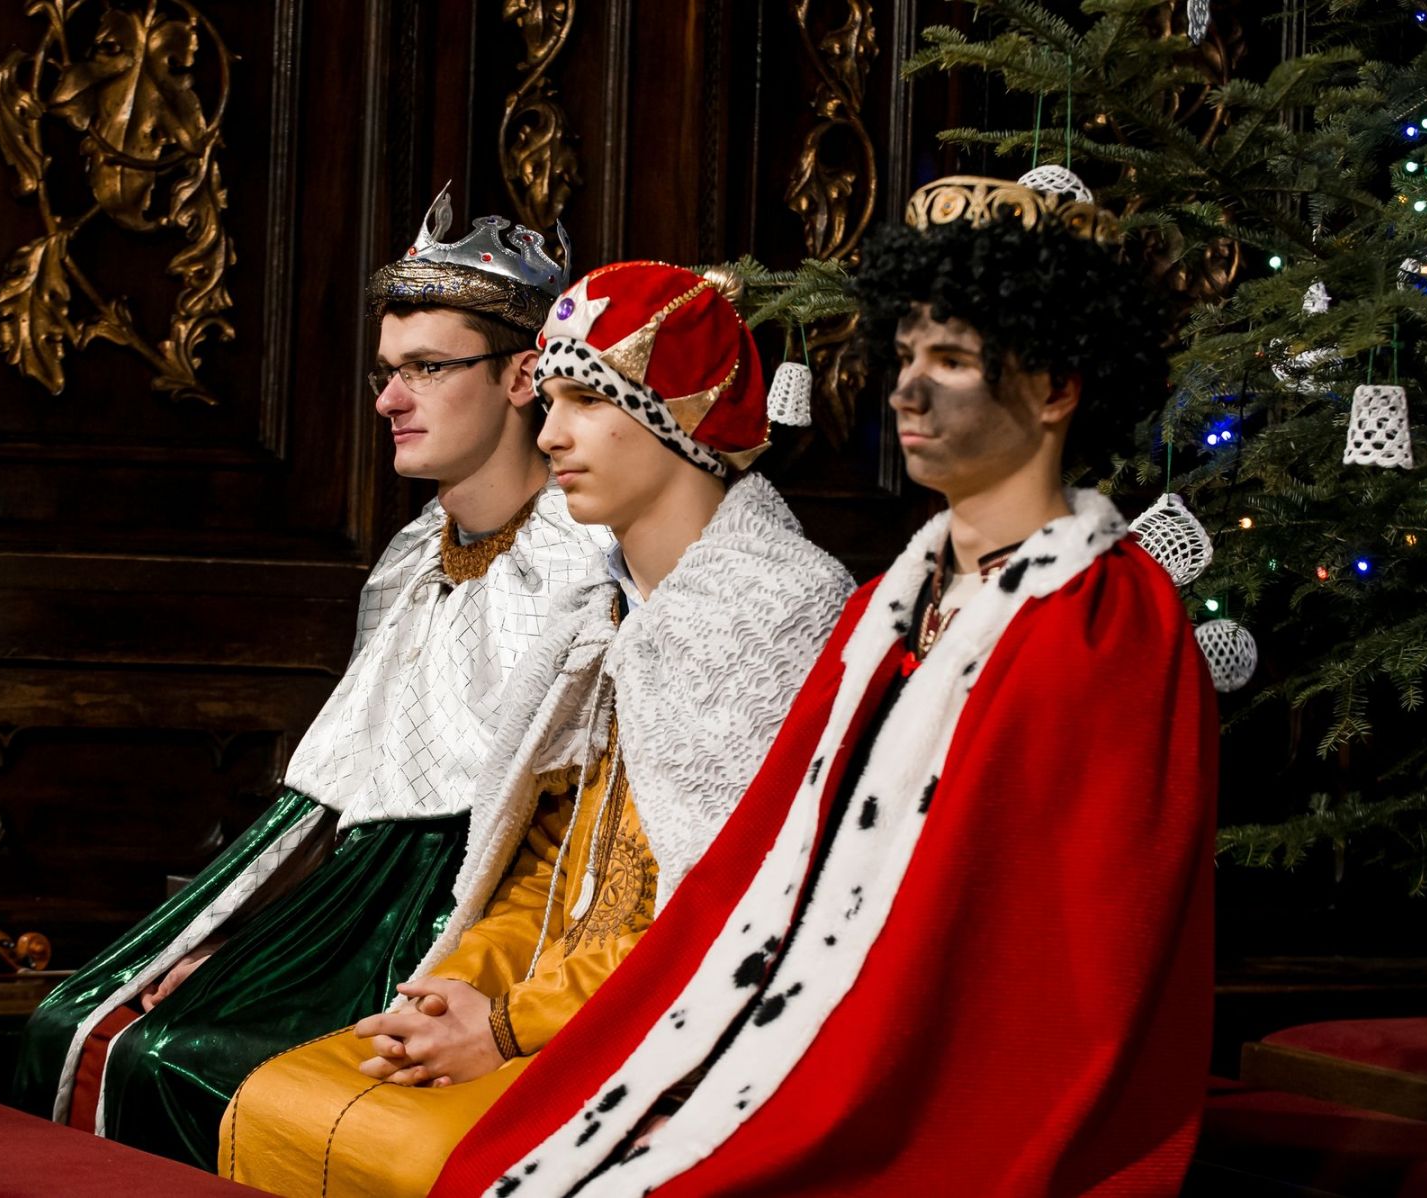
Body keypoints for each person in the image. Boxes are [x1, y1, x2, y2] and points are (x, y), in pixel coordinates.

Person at [431, 174, 1220, 1197]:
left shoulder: (1110, 619)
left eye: (952, 362)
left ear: (1055, 388)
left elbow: (1080, 942)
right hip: (817, 1006)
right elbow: (760, 862)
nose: (909, 394)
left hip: (963, 1061)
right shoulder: (888, 606)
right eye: (906, 357)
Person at [216, 260, 856, 1195]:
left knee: (415, 1152)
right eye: (550, 400)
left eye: (587, 402)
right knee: (281, 1101)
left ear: (679, 412)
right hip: (547, 1000)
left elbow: (735, 910)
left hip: (680, 1038)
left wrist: (510, 1025)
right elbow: (549, 859)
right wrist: (467, 984)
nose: (551, 434)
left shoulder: (771, 611)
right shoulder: (595, 616)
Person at [12, 189, 614, 1168]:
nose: (389, 401)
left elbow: (576, 835)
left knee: (179, 1061)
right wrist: (245, 940)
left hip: (475, 913)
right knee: (78, 1022)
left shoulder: (589, 564)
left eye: (427, 368)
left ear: (522, 376)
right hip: (357, 897)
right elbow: (352, 788)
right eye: (387, 371)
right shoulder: (413, 557)